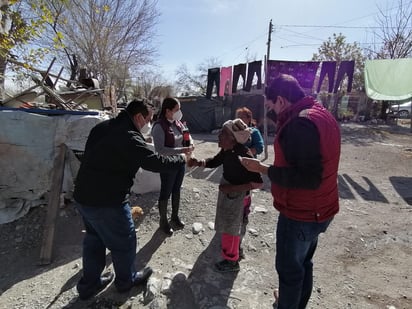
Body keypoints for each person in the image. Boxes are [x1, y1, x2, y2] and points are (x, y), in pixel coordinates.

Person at [239, 74, 341, 309]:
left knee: (290, 272)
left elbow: (307, 177)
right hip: (321, 208)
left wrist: (263, 169)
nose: (271, 110)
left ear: (282, 101)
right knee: (303, 264)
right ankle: (294, 303)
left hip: (301, 213)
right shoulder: (321, 114)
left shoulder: (300, 124)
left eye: (272, 104)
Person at [73, 99, 187, 300]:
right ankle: (126, 281)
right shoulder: (129, 136)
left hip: (84, 197)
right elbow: (155, 162)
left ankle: (88, 285)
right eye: (148, 119)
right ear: (138, 117)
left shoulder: (101, 127)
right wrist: (182, 159)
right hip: (107, 201)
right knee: (125, 241)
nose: (148, 124)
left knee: (94, 241)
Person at [188, 119, 263, 272]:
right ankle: (236, 251)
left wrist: (232, 188)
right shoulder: (228, 150)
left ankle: (231, 261)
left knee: (231, 228)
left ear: (232, 138)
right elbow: (215, 161)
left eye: (223, 133)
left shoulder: (244, 155)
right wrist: (198, 162)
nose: (219, 136)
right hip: (231, 194)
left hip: (239, 197)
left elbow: (258, 183)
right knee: (234, 227)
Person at [151, 97, 194, 235]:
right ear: (167, 110)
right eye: (176, 110)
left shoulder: (178, 123)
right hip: (168, 165)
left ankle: (174, 217)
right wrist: (182, 150)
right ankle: (163, 221)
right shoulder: (159, 126)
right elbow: (160, 150)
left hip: (180, 162)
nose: (179, 112)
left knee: (177, 190)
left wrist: (190, 143)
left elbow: (185, 136)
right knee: (166, 192)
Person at [234, 107, 264, 259]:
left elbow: (260, 147)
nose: (238, 120)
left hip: (249, 167)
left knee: (246, 192)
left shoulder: (254, 132)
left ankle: (244, 213)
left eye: (241, 117)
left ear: (248, 118)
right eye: (236, 116)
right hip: (235, 167)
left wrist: (246, 153)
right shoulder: (233, 129)